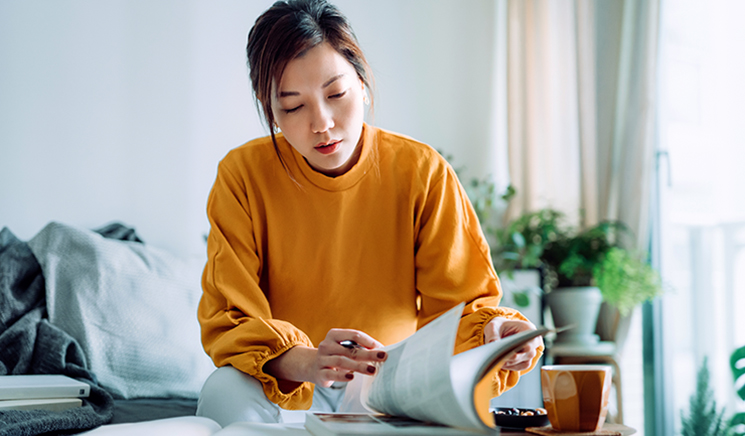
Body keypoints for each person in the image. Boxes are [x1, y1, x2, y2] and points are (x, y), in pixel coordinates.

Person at [196, 0, 543, 427]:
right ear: (269, 110)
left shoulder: (422, 171)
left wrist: (495, 337)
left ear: (361, 83)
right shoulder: (242, 175)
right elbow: (230, 317)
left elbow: (463, 306)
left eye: (336, 93)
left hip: (387, 389)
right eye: (293, 106)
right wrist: (308, 361)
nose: (321, 122)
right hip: (286, 390)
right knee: (223, 389)